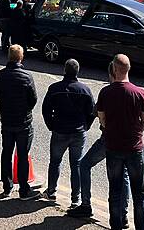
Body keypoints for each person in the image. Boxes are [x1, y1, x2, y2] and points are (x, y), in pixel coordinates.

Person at [96, 54, 144, 230]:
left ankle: (116, 225)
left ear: (114, 69)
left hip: (113, 148)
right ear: (128, 69)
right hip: (135, 148)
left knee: (115, 190)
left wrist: (110, 129)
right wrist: (138, 131)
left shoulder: (105, 92)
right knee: (139, 193)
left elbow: (102, 119)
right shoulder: (139, 92)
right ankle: (141, 227)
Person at [69, 66, 130, 223]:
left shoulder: (107, 92)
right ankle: (123, 216)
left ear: (111, 74)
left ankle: (86, 205)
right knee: (124, 176)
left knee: (84, 165)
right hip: (127, 141)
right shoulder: (134, 92)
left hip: (108, 140)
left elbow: (96, 113)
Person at [41, 58, 96, 206]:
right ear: (78, 72)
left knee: (55, 162)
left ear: (64, 70)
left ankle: (51, 192)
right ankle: (75, 199)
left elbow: (45, 109)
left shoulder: (55, 88)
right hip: (78, 132)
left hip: (59, 130)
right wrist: (86, 126)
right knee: (76, 164)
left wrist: (51, 125)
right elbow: (92, 112)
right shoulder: (85, 90)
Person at [0, 44, 40, 200]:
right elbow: (33, 99)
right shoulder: (27, 76)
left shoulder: (0, 75)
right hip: (23, 121)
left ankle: (7, 187)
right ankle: (24, 190)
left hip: (6, 120)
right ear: (21, 57)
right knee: (22, 155)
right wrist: (25, 109)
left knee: (6, 153)